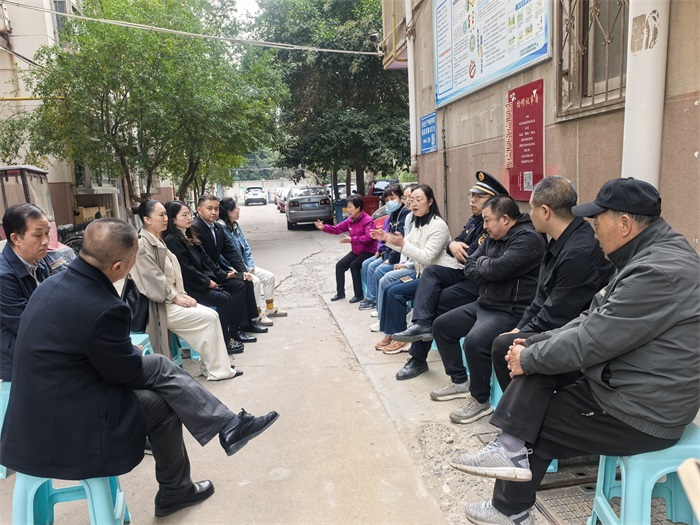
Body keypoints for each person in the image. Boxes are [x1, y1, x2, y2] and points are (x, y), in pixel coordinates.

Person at [448, 177, 700, 525]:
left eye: (598, 221)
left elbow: (593, 340)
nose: (593, 230)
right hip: (625, 380)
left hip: (644, 410)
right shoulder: (646, 255)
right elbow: (592, 317)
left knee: (533, 421)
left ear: (624, 224)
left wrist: (529, 358)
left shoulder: (656, 272)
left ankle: (510, 505)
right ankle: (509, 451)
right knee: (531, 363)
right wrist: (533, 345)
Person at [0, 218, 279, 518]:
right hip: (67, 423)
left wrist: (122, 352)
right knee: (162, 402)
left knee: (157, 366)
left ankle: (226, 428)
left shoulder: (53, 283)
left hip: (35, 413)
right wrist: (127, 352)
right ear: (118, 267)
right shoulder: (105, 306)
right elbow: (122, 373)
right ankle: (178, 487)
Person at [490, 176, 614, 391]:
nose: (529, 214)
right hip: (560, 327)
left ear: (546, 211)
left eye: (532, 208)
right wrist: (519, 329)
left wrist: (519, 339)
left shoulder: (578, 252)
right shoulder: (561, 240)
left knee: (504, 347)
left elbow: (556, 315)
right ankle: (519, 407)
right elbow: (541, 297)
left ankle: (523, 410)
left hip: (578, 340)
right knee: (508, 341)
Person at [431, 195, 545, 424]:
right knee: (442, 326)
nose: (484, 226)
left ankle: (479, 399)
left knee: (475, 342)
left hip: (510, 310)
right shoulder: (494, 236)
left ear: (505, 219)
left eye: (487, 220)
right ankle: (460, 381)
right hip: (485, 302)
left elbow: (496, 270)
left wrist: (485, 266)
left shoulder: (529, 239)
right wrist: (487, 267)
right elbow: (470, 266)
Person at [392, 171, 507, 380]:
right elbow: (454, 245)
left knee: (434, 301)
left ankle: (419, 359)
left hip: (479, 284)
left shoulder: (491, 225)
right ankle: (421, 327)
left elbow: (470, 257)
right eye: (471, 196)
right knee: (431, 273)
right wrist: (452, 245)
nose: (472, 201)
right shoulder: (474, 221)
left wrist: (455, 248)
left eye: (478, 197)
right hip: (465, 275)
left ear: (495, 202)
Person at [130, 200, 239, 380]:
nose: (166, 218)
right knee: (208, 319)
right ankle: (217, 370)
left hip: (172, 299)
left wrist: (181, 295)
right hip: (160, 306)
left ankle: (213, 367)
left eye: (166, 214)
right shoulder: (142, 244)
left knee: (213, 315)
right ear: (147, 220)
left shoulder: (158, 239)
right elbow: (153, 280)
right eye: (161, 215)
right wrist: (176, 297)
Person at [372, 184, 462, 354]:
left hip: (441, 277)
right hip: (423, 275)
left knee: (395, 292)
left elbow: (427, 257)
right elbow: (405, 245)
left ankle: (401, 339)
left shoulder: (438, 225)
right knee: (390, 289)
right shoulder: (418, 224)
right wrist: (385, 239)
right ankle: (392, 333)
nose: (413, 203)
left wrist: (402, 243)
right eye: (411, 200)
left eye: (418, 200)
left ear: (430, 201)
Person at [163, 200, 244, 355]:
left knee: (233, 289)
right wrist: (207, 282)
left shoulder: (188, 234)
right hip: (190, 286)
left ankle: (229, 335)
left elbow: (205, 260)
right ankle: (224, 342)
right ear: (173, 220)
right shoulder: (173, 240)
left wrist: (218, 277)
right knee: (223, 299)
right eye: (184, 215)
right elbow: (187, 270)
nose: (189, 217)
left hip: (202, 281)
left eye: (189, 214)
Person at [192, 195, 267, 340]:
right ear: (199, 210)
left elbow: (231, 251)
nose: (214, 212)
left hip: (218, 271)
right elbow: (204, 259)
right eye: (209, 208)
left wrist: (243, 271)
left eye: (216, 209)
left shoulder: (217, 227)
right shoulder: (195, 228)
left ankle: (248, 323)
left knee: (246, 280)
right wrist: (223, 274)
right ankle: (234, 330)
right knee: (238, 286)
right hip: (207, 275)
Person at [0, 204, 51, 382]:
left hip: (42, 351)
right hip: (18, 362)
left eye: (47, 233)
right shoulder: (3, 277)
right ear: (15, 238)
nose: (46, 241)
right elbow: (27, 324)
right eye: (38, 235)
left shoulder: (40, 262)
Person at [219, 197, 287, 325]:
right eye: (236, 208)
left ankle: (270, 308)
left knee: (269, 277)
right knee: (255, 281)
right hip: (233, 268)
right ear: (229, 212)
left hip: (245, 265)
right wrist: (240, 269)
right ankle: (257, 314)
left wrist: (249, 265)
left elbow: (246, 247)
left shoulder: (235, 227)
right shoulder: (221, 230)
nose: (239, 210)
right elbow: (224, 255)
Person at [314, 194, 377, 303]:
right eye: (348, 207)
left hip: (369, 251)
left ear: (358, 208)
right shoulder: (350, 220)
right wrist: (324, 227)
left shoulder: (368, 220)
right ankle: (340, 293)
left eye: (350, 207)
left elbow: (368, 238)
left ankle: (359, 295)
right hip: (357, 251)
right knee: (340, 265)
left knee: (354, 265)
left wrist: (352, 239)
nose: (348, 210)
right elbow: (337, 229)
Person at [357, 184, 410, 311]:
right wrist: (382, 250)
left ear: (400, 198)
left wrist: (390, 259)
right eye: (387, 200)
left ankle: (377, 302)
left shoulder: (406, 215)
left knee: (378, 269)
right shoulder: (393, 216)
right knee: (366, 264)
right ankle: (372, 298)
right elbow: (389, 239)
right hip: (391, 254)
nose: (390, 202)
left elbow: (401, 242)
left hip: (401, 258)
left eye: (392, 198)